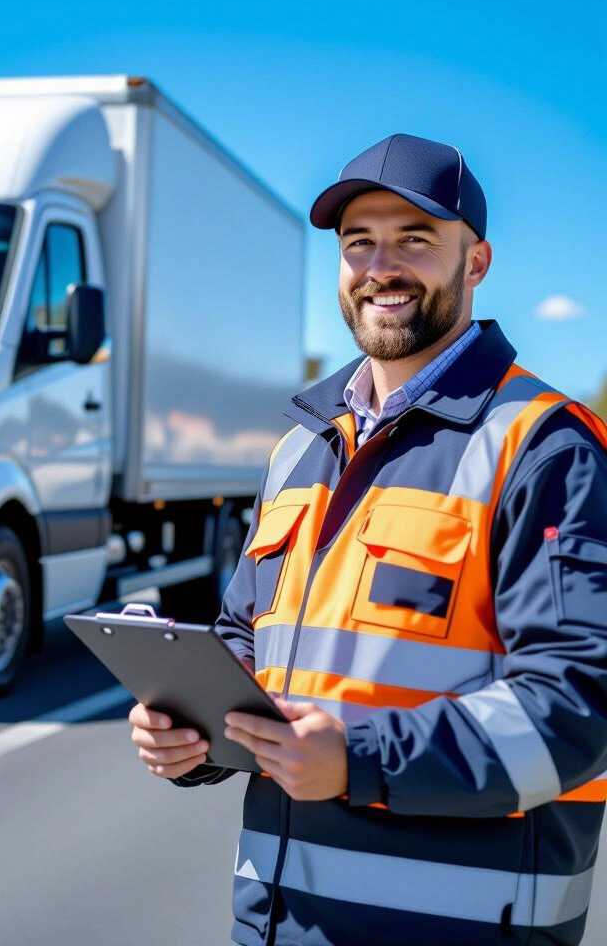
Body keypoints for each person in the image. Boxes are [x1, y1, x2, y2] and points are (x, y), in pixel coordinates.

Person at [129, 133, 607, 946]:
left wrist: (357, 756)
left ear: (477, 261)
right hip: (279, 923)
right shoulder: (301, 448)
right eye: (359, 243)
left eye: (415, 239)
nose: (381, 265)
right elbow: (251, 642)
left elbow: (578, 708)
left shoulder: (546, 446)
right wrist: (197, 734)